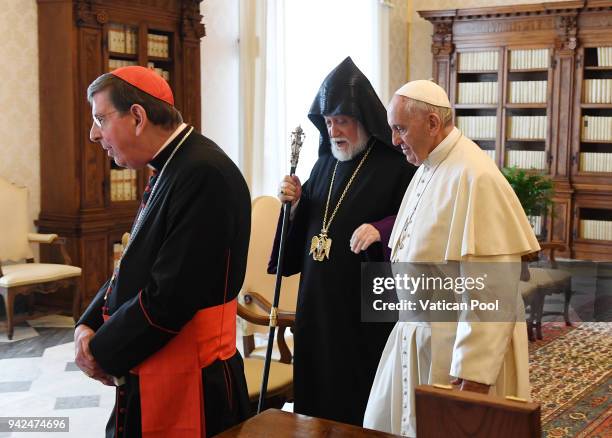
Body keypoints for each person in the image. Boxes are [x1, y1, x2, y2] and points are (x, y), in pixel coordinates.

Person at [74, 66, 251, 438]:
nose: (93, 134)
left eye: (100, 119)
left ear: (137, 116)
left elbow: (170, 297)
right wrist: (87, 324)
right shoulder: (173, 166)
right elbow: (134, 263)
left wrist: (101, 353)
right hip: (158, 357)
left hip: (193, 378)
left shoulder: (203, 173)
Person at [363, 80, 540, 437]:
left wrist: (473, 375)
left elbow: (492, 290)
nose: (395, 140)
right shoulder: (429, 166)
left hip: (454, 352)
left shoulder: (476, 176)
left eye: (400, 129)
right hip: (418, 337)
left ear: (432, 123)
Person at [269, 57, 416, 425]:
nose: (334, 131)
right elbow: (312, 227)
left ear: (364, 121)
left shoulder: (395, 165)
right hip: (318, 301)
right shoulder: (324, 164)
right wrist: (297, 203)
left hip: (364, 306)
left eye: (343, 121)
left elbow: (416, 218)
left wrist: (380, 230)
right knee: (316, 388)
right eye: (329, 122)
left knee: (359, 391)